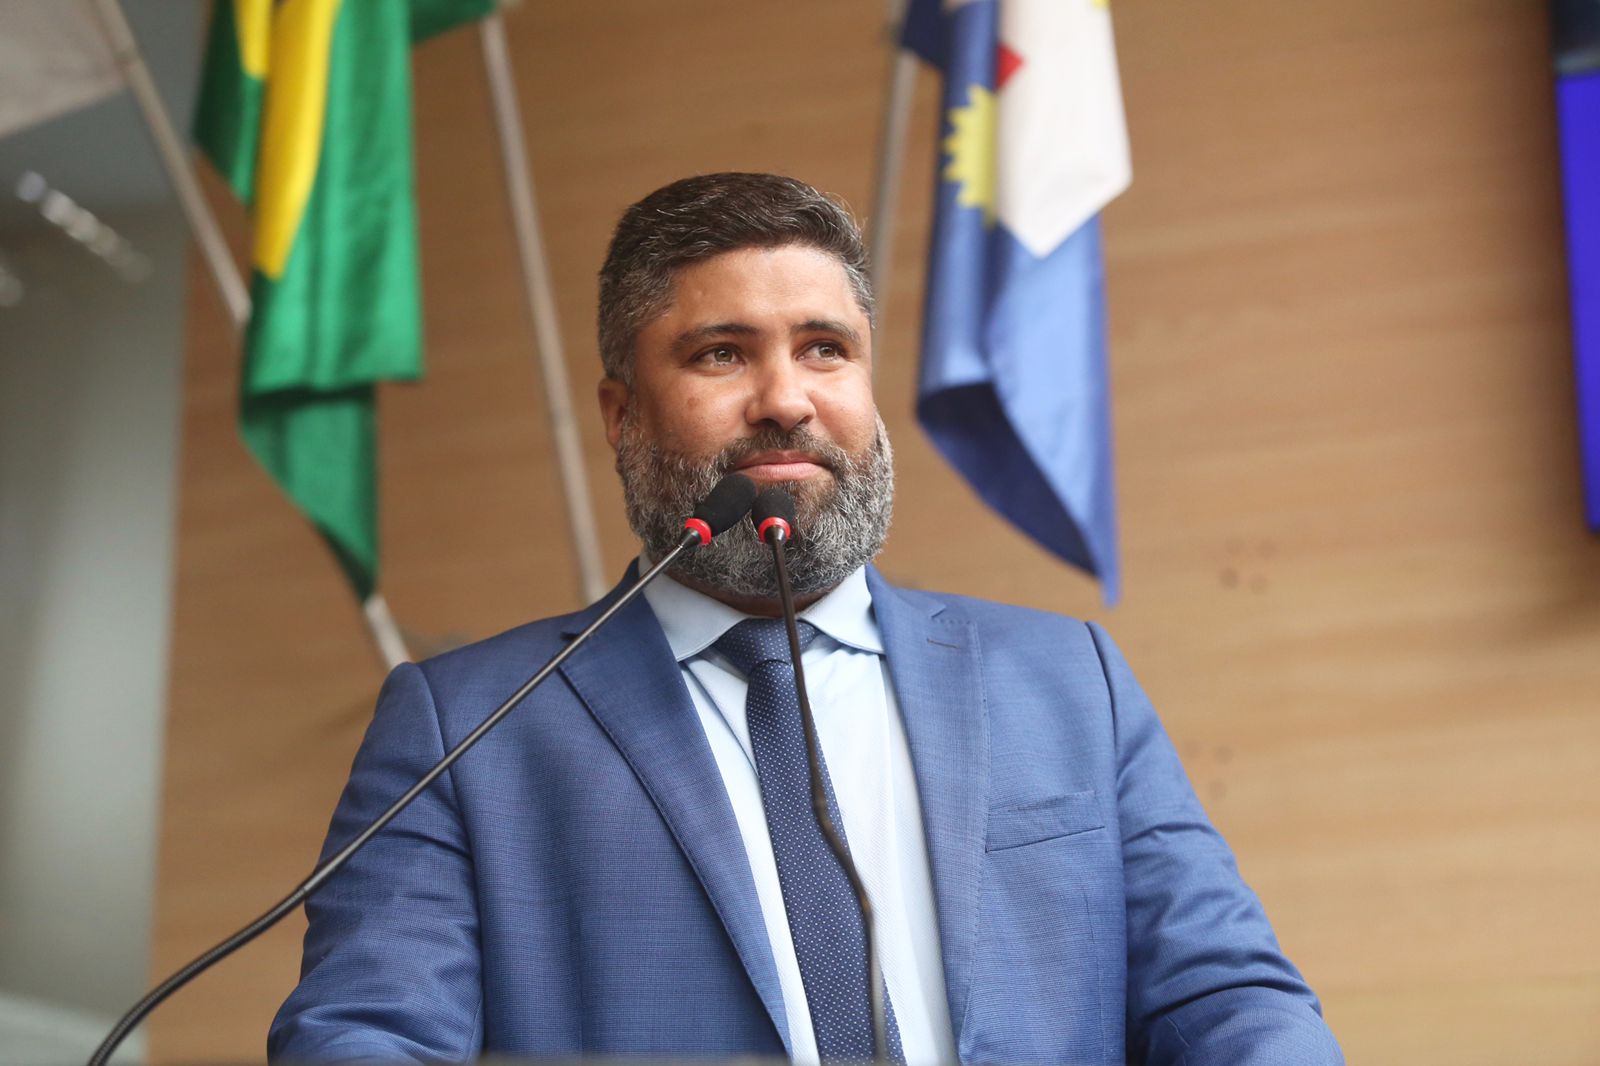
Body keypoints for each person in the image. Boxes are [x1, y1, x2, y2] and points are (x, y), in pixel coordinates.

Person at [268, 173, 1342, 1065]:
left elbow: (1227, 999)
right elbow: (364, 1038)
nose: (786, 398)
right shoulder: (466, 730)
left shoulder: (1069, 681)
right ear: (621, 414)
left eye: (825, 348)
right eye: (721, 353)